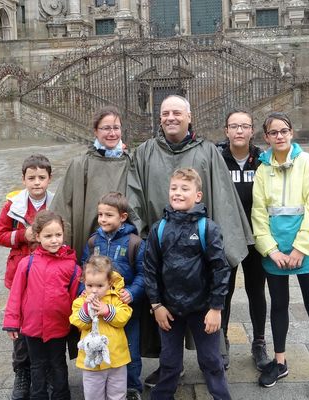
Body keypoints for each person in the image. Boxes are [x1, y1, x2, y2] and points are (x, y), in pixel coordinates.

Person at [126, 94, 252, 386]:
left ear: (189, 117)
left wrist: (221, 246)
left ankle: (215, 361)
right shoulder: (144, 151)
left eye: (177, 113)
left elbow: (222, 195)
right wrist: (143, 235)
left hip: (199, 249)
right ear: (159, 118)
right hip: (164, 247)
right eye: (165, 113)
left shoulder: (207, 151)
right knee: (164, 309)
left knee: (207, 305)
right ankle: (171, 364)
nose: (171, 117)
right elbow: (132, 195)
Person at [251, 112, 309, 398]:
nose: (279, 136)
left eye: (284, 131)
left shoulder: (308, 164)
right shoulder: (263, 170)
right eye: (273, 133)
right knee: (278, 306)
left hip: (306, 250)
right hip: (276, 251)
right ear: (267, 137)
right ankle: (280, 361)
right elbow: (258, 213)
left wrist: (301, 248)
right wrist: (271, 250)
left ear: (291, 133)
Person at [143, 168, 232, 400]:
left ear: (198, 196)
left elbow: (220, 269)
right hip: (169, 309)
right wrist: (156, 305)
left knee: (211, 361)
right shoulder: (159, 229)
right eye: (174, 188)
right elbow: (150, 270)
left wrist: (216, 308)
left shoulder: (208, 229)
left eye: (185, 189)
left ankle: (221, 396)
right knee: (169, 361)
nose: (178, 193)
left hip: (203, 309)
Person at [0, 153, 54, 400]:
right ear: (23, 179)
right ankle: (22, 372)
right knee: (20, 326)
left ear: (49, 179)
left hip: (48, 274)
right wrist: (21, 236)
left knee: (48, 322)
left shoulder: (56, 204)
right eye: (32, 178)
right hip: (21, 275)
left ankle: (48, 372)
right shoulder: (13, 205)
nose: (37, 182)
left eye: (41, 177)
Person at [3, 210, 81, 400]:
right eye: (48, 236)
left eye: (58, 235)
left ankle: (61, 396)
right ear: (37, 236)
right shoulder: (26, 264)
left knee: (58, 363)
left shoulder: (72, 267)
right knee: (37, 365)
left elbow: (75, 300)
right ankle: (38, 395)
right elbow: (15, 296)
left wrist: (78, 325)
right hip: (31, 327)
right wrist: (12, 322)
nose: (54, 240)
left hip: (58, 326)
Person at [217, 109, 270, 370]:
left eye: (244, 126)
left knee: (256, 290)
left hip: (256, 237)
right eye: (234, 126)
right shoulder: (216, 159)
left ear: (252, 131)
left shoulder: (262, 160)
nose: (239, 131)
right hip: (226, 238)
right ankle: (221, 340)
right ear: (226, 130)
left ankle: (259, 341)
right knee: (223, 291)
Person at [81, 192, 146, 400]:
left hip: (125, 309)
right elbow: (83, 270)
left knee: (130, 350)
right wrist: (82, 292)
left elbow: (144, 274)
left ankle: (132, 387)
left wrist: (132, 292)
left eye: (108, 215)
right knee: (103, 344)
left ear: (123, 217)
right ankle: (103, 383)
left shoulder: (134, 242)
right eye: (100, 215)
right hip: (98, 309)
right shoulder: (93, 242)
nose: (103, 219)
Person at [51, 106, 132, 263]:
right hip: (89, 242)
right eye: (106, 128)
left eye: (116, 128)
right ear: (95, 131)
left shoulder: (131, 162)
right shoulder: (79, 165)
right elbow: (62, 207)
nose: (112, 133)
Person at [70, 255, 133, 400]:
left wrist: (108, 311)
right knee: (93, 395)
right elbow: (77, 321)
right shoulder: (80, 301)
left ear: (109, 282)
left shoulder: (117, 298)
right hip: (91, 362)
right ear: (84, 282)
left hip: (116, 358)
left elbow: (124, 317)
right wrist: (87, 308)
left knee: (118, 394)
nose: (94, 291)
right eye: (89, 285)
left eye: (100, 286)